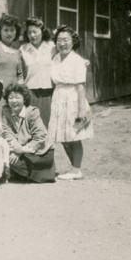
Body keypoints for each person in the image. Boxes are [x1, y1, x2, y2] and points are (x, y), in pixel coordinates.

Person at [48, 25, 94, 180]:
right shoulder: (55, 57)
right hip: (59, 97)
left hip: (73, 98)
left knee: (74, 135)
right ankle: (73, 168)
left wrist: (81, 110)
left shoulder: (77, 60)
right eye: (59, 40)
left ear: (73, 41)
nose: (62, 43)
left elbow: (80, 86)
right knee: (63, 136)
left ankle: (76, 169)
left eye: (66, 40)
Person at [2, 83, 56, 183]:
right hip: (17, 148)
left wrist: (20, 151)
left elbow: (40, 138)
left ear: (24, 99)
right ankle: (20, 174)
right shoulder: (6, 111)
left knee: (15, 162)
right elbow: (6, 131)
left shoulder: (32, 112)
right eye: (11, 98)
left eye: (18, 98)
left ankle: (28, 174)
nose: (14, 101)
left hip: (37, 150)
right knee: (3, 157)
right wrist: (15, 144)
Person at [19, 17, 56, 127]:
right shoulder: (23, 49)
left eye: (35, 32)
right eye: (29, 32)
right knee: (32, 125)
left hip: (48, 92)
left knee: (48, 125)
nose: (32, 35)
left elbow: (64, 56)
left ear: (42, 31)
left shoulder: (52, 47)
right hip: (31, 93)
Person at [0, 13, 24, 93]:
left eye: (12, 30)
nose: (9, 33)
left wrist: (19, 91)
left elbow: (20, 75)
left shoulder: (17, 51)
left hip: (13, 95)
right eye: (6, 30)